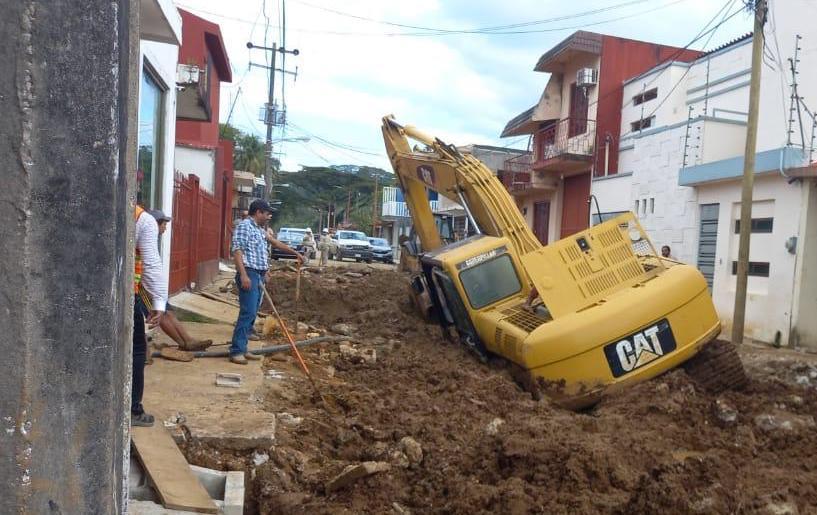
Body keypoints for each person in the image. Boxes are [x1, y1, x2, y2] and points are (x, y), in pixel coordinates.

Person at [229, 199, 302, 364]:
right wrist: (243, 275)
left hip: (259, 274)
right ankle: (236, 351)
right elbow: (238, 251)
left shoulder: (259, 230)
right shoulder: (244, 227)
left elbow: (274, 243)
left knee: (253, 312)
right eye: (267, 213)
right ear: (258, 212)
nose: (269, 216)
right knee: (247, 312)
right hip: (249, 273)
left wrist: (295, 253)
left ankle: (243, 347)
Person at [148, 209, 213, 352]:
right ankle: (183, 343)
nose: (165, 227)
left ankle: (187, 341)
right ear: (156, 224)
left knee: (168, 313)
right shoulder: (146, 238)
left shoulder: (153, 239)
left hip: (154, 286)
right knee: (161, 314)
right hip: (146, 287)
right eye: (164, 224)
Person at [132, 203, 169, 427]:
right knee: (136, 350)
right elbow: (151, 264)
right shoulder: (143, 220)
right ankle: (133, 409)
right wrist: (159, 302)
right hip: (126, 294)